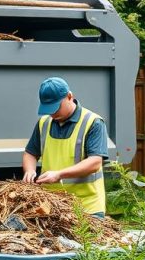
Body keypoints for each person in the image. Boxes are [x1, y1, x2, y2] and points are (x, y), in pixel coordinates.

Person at [22, 77, 109, 216]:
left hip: (87, 208)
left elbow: (95, 162)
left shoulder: (93, 122)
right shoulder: (43, 123)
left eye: (56, 107)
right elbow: (30, 153)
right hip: (52, 207)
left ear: (69, 96)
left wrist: (59, 174)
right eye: (48, 109)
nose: (52, 113)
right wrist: (30, 170)